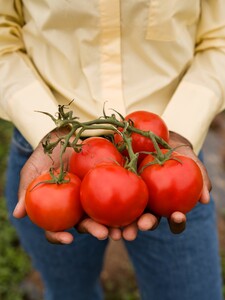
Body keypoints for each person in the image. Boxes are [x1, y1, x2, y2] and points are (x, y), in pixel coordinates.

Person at [0, 1, 224, 299]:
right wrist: (49, 130)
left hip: (167, 154)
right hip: (55, 159)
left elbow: (219, 37)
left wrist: (182, 129)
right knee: (70, 293)